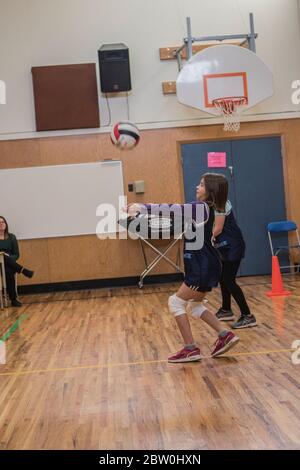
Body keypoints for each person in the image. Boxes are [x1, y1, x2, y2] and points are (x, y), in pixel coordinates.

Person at [125, 173, 240, 363]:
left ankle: (190, 349)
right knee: (195, 306)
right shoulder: (212, 208)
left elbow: (172, 209)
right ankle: (224, 334)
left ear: (210, 190)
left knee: (175, 302)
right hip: (208, 265)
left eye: (201, 185)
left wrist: (142, 207)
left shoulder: (200, 207)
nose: (197, 187)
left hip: (201, 267)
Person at [212, 177, 257, 329]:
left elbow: (217, 229)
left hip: (233, 246)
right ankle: (226, 310)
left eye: (202, 184)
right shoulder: (213, 202)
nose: (198, 187)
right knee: (223, 278)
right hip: (225, 246)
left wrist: (204, 239)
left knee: (228, 280)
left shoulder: (220, 204)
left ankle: (247, 315)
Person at [0, 216, 34, 307]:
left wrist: (9, 258)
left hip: (9, 263)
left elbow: (16, 254)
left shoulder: (12, 237)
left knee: (9, 272)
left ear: (6, 224)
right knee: (2, 256)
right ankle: (24, 270)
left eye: (3, 222)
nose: (1, 224)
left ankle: (13, 300)